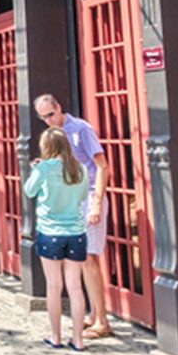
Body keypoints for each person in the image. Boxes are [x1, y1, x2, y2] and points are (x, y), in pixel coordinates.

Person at [34, 94, 112, 339]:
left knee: (88, 258)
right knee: (79, 260)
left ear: (59, 107)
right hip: (70, 200)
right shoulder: (55, 136)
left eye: (51, 114)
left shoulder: (80, 130)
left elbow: (102, 166)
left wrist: (97, 203)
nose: (49, 120)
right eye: (43, 117)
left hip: (88, 195)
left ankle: (102, 321)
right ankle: (92, 314)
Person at [24, 126, 89, 350]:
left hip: (50, 231)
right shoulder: (80, 169)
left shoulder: (44, 168)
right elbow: (81, 197)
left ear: (47, 148)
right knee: (75, 287)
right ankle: (78, 339)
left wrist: (35, 170)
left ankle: (56, 336)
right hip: (76, 233)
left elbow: (29, 191)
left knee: (54, 286)